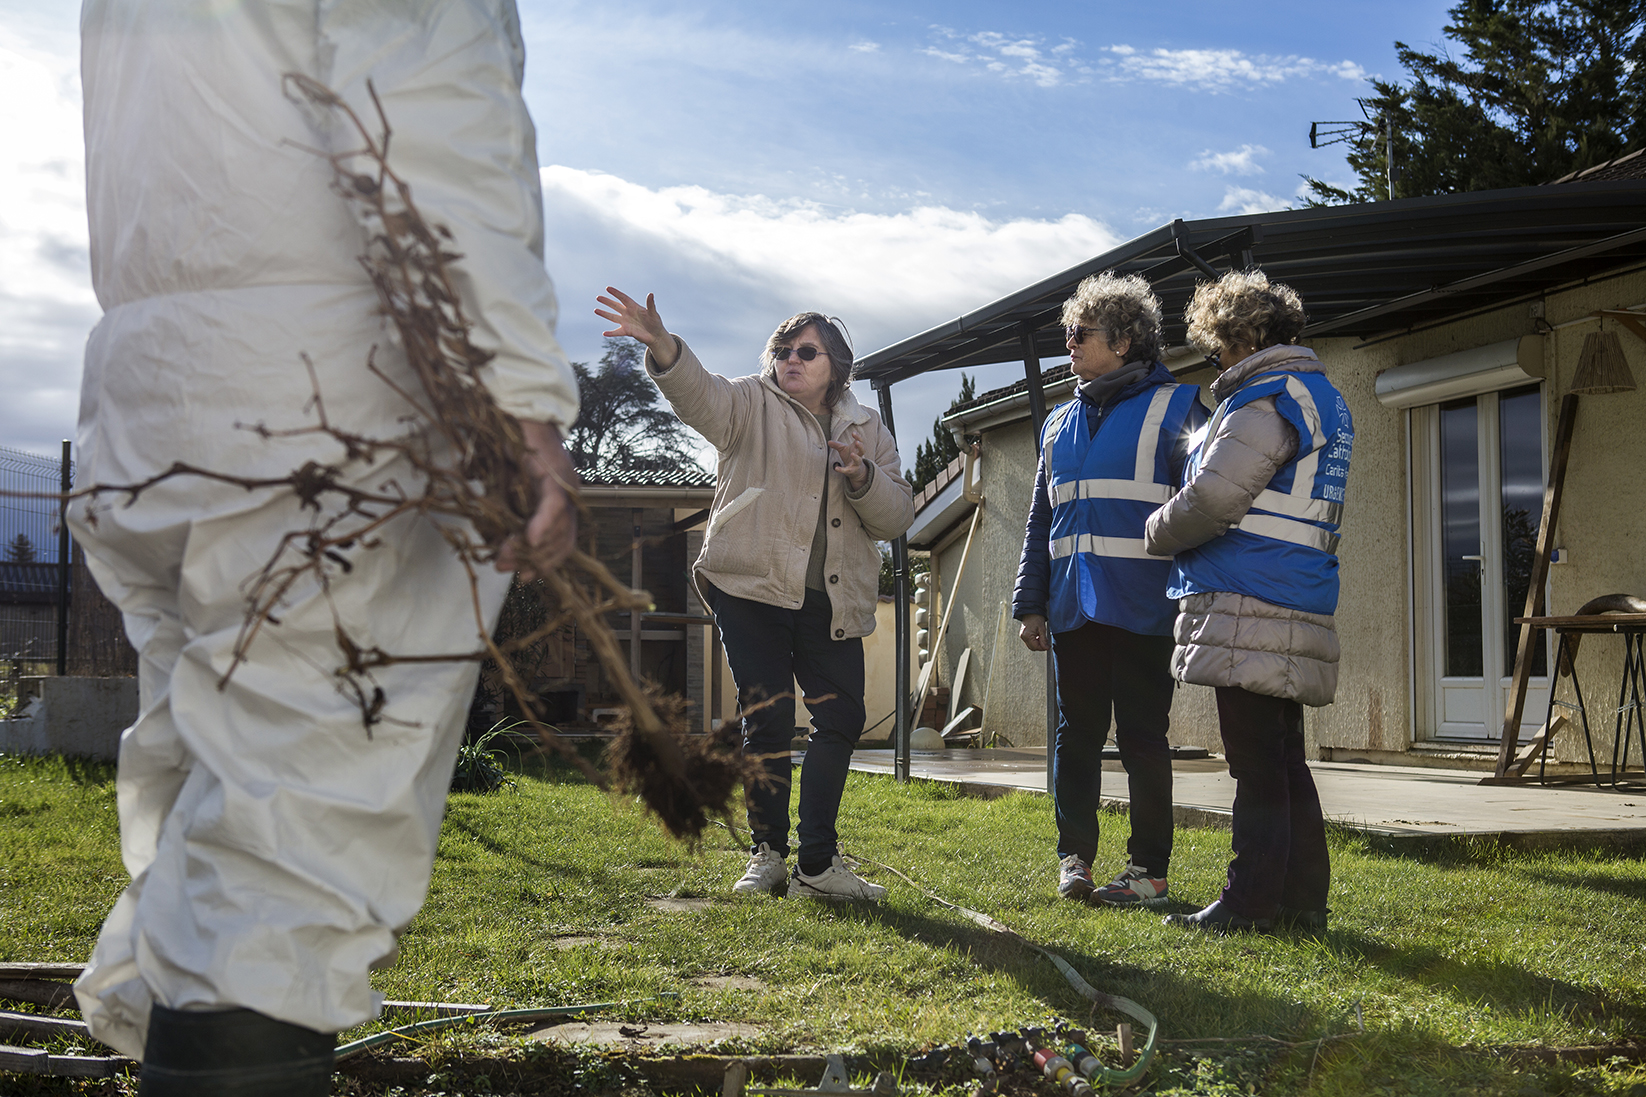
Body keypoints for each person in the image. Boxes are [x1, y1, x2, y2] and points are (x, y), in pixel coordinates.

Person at [71, 3, 580, 1091]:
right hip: (326, 396)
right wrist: (517, 397)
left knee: (213, 807)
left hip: (154, 396)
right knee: (285, 857)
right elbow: (429, 106)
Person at [595, 288, 914, 900]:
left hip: (831, 602)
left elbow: (895, 516)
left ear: (836, 366)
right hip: (752, 590)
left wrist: (863, 476)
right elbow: (700, 397)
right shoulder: (749, 403)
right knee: (766, 720)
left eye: (807, 352)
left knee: (840, 718)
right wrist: (664, 347)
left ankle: (818, 866)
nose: (791, 359)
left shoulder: (867, 429)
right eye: (784, 350)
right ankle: (768, 855)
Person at [1144, 269, 1353, 934]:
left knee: (1256, 765)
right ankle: (1301, 903)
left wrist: (1155, 530)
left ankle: (1248, 903)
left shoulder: (1263, 398)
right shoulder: (1315, 393)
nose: (1213, 355)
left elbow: (1214, 497)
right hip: (1291, 590)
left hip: (1249, 598)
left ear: (1237, 335)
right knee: (1282, 760)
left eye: (1215, 342)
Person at [1013, 273, 1206, 906]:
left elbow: (1205, 508)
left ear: (1124, 340)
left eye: (1078, 333)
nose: (1066, 344)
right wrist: (1030, 602)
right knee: (1077, 736)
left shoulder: (1181, 408)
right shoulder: (1058, 423)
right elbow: (1041, 521)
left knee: (1144, 738)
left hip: (1148, 607)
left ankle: (1149, 871)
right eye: (1065, 333)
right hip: (1074, 609)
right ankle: (1075, 860)